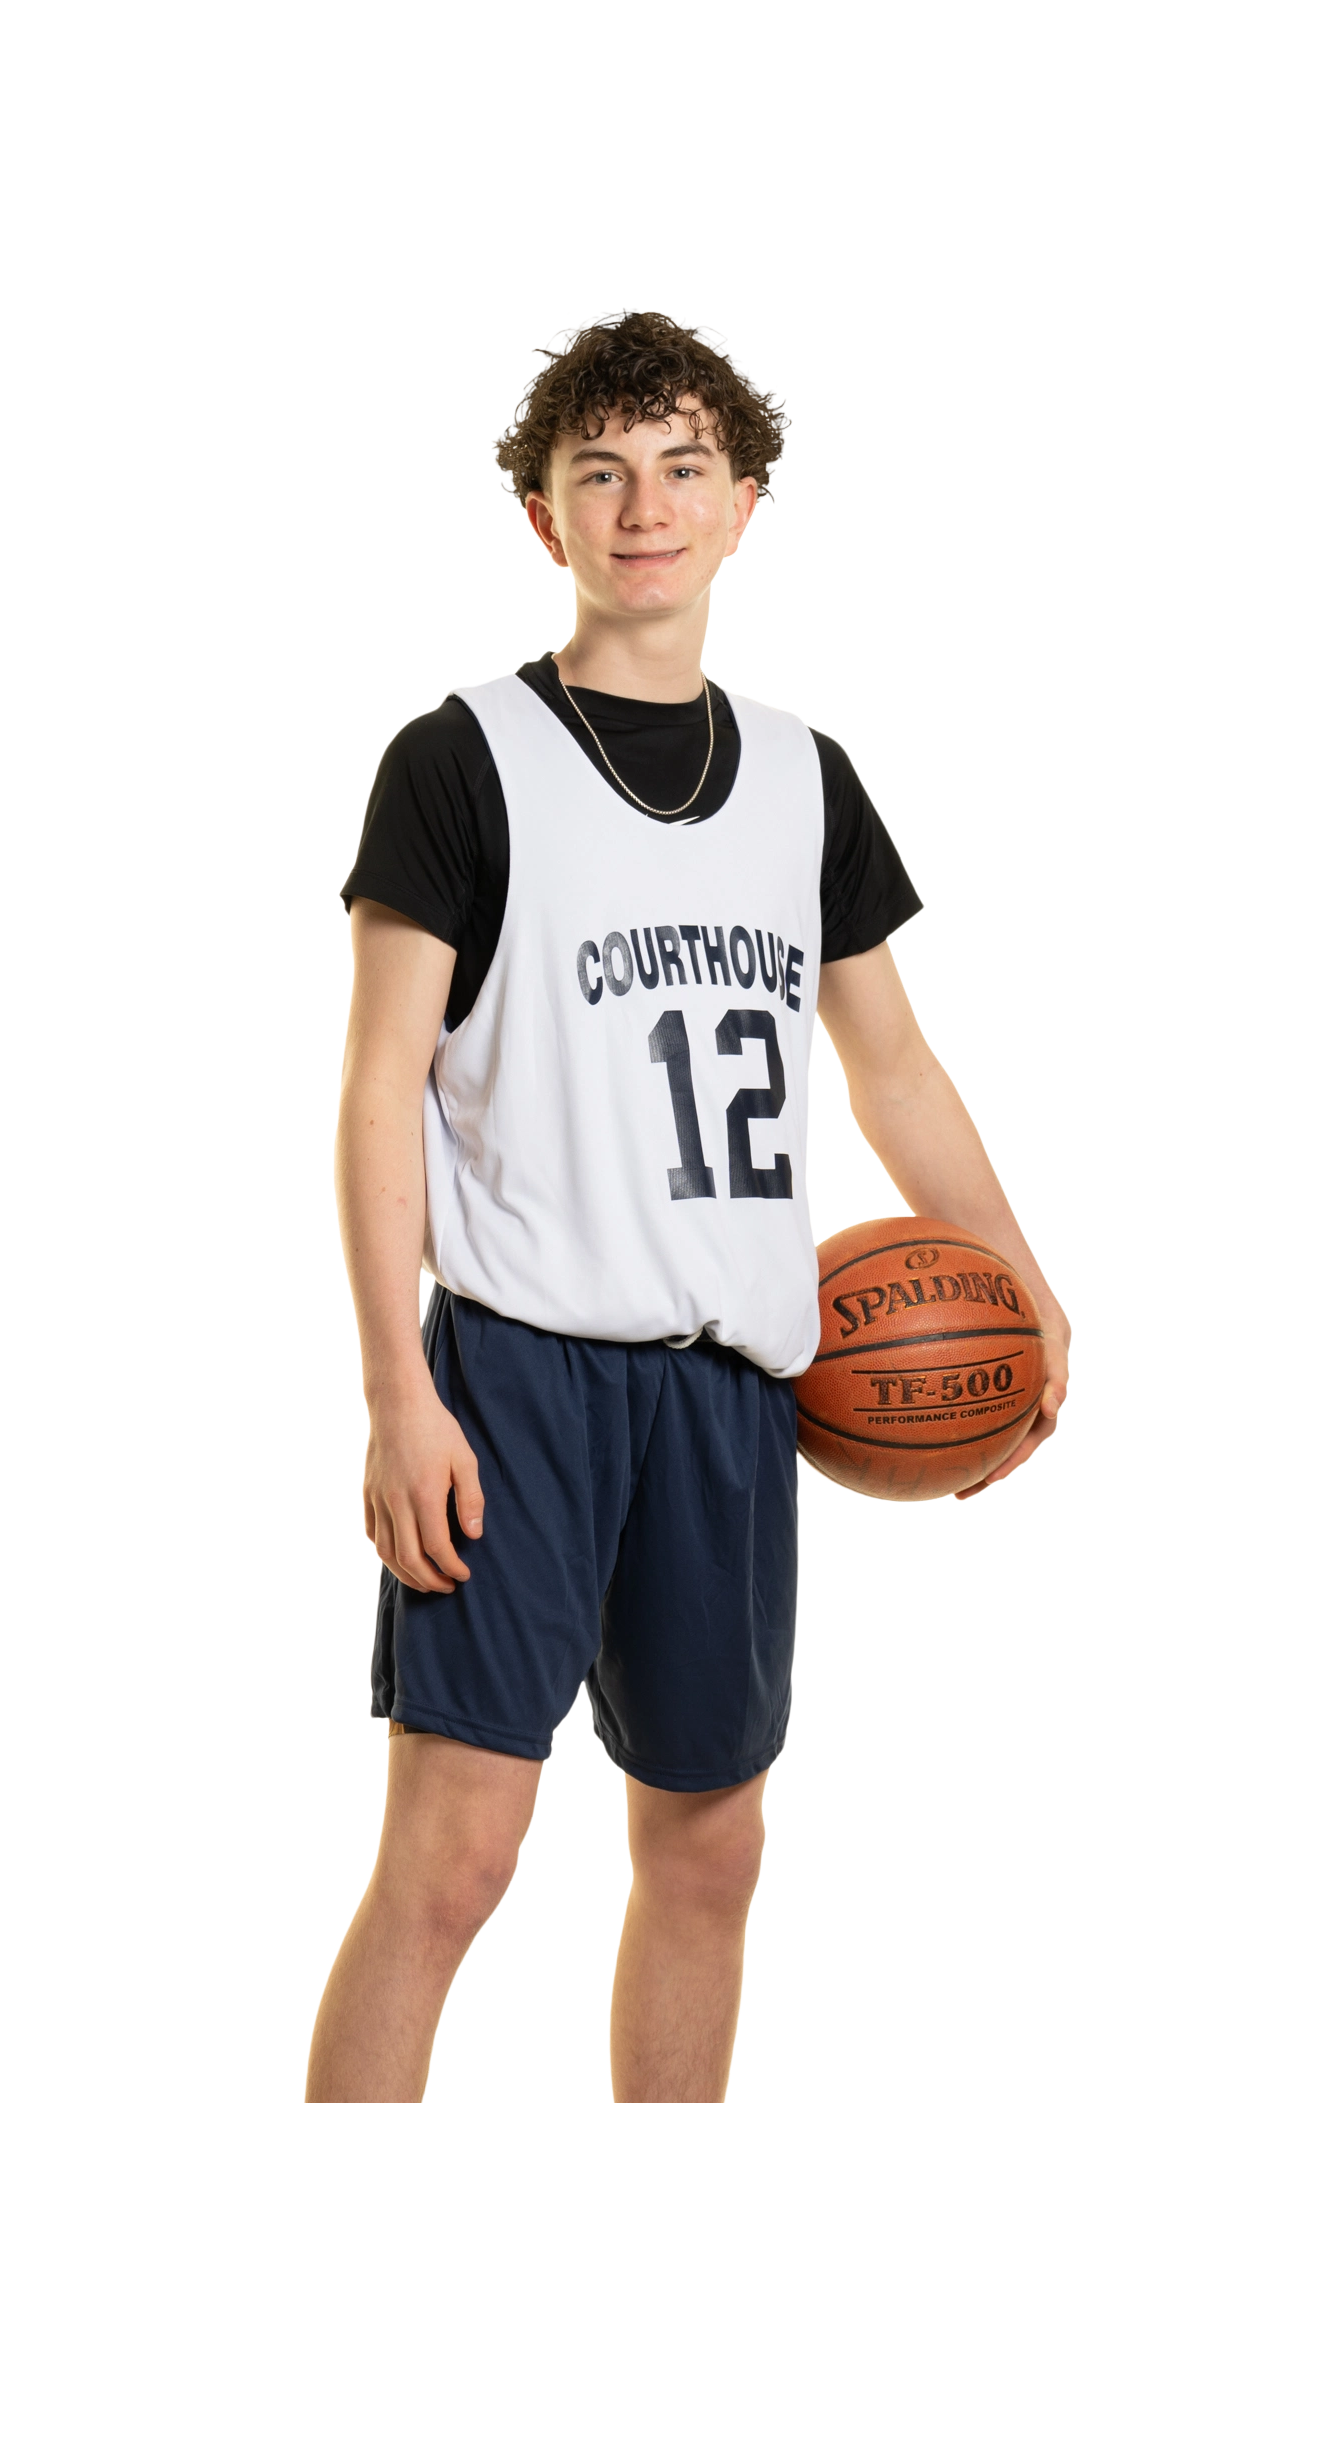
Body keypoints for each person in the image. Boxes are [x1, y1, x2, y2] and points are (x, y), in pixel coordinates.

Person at [305, 308, 1070, 2104]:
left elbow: (894, 1067)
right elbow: (378, 1086)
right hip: (521, 1376)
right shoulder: (461, 760)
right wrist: (397, 1391)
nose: (645, 506)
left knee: (712, 1849)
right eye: (602, 473)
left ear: (743, 506)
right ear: (543, 516)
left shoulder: (806, 778)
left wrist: (1026, 1286)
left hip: (730, 1390)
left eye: (683, 467)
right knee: (455, 1855)